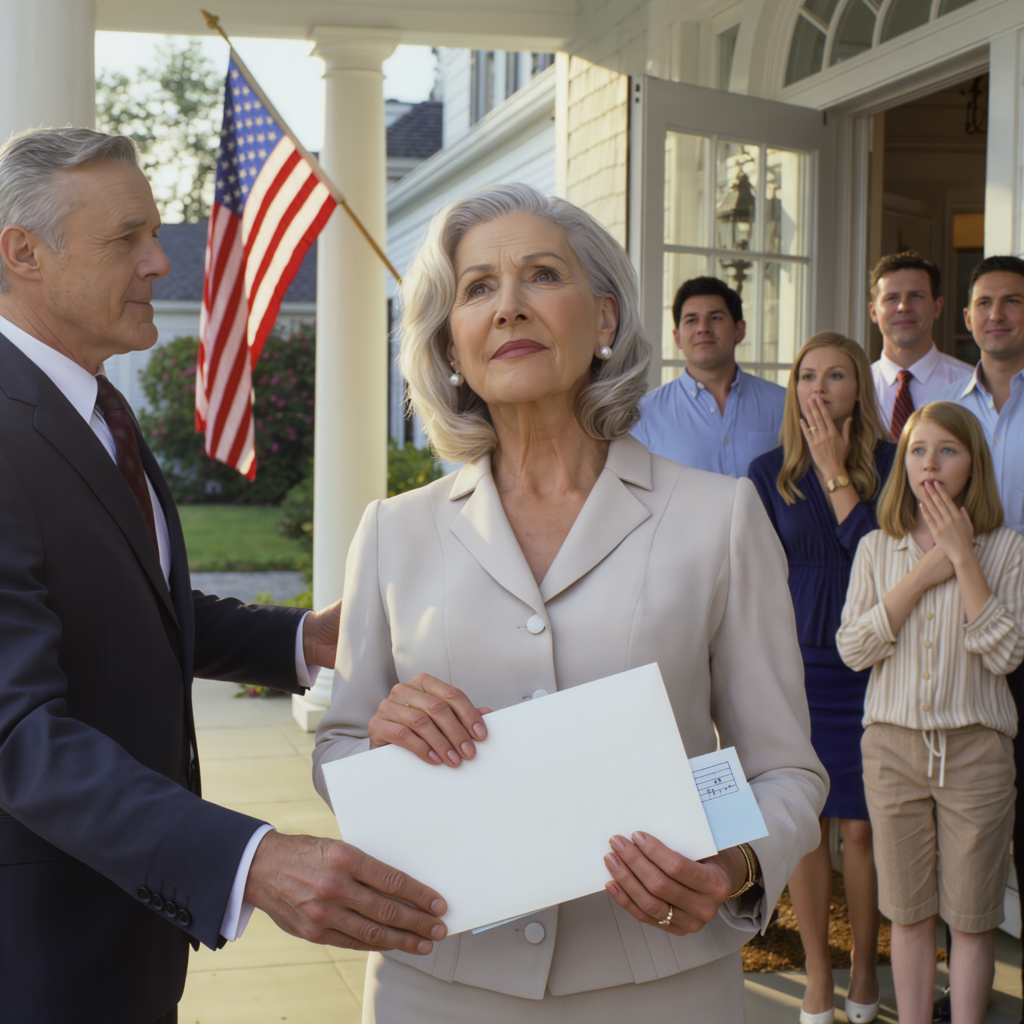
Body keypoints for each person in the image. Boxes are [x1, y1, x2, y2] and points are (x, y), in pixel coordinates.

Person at [312, 183, 827, 1023]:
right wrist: (379, 742)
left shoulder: (719, 515)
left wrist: (732, 862)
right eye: (478, 288)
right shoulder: (392, 532)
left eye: (540, 276)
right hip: (436, 980)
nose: (508, 307)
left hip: (664, 985)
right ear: (450, 345)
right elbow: (339, 743)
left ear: (605, 320)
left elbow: (778, 769)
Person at [0, 128, 447, 1023]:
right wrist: (248, 860)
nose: (161, 262)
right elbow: (17, 733)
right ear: (23, 254)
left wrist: (299, 637)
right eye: (126, 238)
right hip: (40, 942)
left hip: (123, 923)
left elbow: (132, 604)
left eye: (154, 233)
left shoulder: (90, 402)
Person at [837, 401, 1023, 1024]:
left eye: (948, 450)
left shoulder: (1007, 549)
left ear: (973, 464)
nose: (931, 464)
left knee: (970, 919)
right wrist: (923, 574)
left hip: (977, 753)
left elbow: (1006, 654)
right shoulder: (875, 548)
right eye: (918, 450)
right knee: (909, 914)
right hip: (892, 750)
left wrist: (963, 559)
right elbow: (854, 648)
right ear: (904, 465)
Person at [748, 333, 894, 1024]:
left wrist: (837, 470)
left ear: (858, 389)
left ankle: (865, 969)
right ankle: (815, 974)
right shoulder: (765, 471)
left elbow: (873, 554)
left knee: (861, 833)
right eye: (808, 375)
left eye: (837, 375)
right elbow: (752, 577)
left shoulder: (895, 463)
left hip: (871, 664)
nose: (820, 387)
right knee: (805, 827)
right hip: (795, 666)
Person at [932, 254, 1024, 1020]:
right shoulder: (940, 403)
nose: (997, 315)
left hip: (1020, 621)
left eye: (1013, 303)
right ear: (964, 317)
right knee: (960, 818)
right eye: (984, 303)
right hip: (961, 633)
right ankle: (960, 974)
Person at [631, 276, 785, 475]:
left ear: (739, 330)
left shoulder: (783, 404)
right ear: (677, 338)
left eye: (716, 318)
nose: (703, 328)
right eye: (691, 320)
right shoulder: (645, 415)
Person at [868, 251, 972, 439]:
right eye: (891, 298)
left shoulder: (970, 386)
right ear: (873, 311)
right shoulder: (857, 387)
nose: (903, 307)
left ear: (937, 307)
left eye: (916, 296)